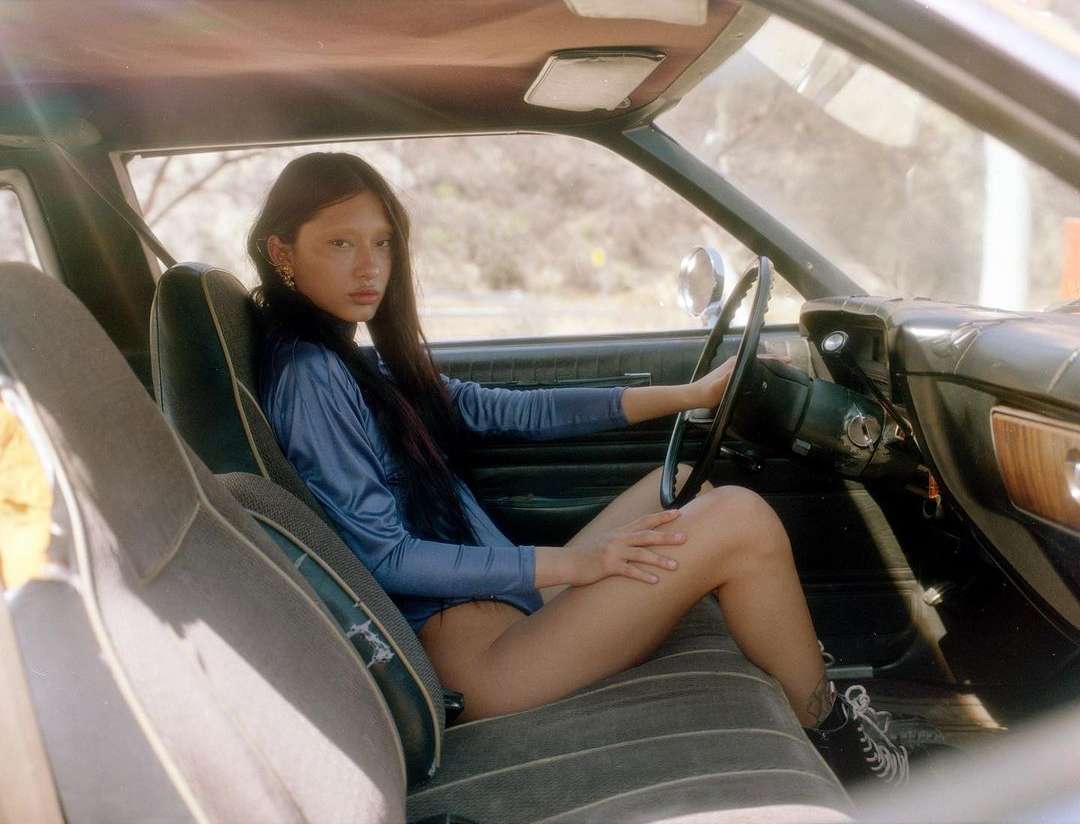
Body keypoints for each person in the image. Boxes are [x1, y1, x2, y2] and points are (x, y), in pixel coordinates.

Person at [251, 152, 910, 785]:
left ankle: (809, 688)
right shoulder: (311, 376)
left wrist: (688, 394)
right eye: (340, 244)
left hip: (503, 615)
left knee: (685, 488)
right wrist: (574, 564)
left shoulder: (354, 362)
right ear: (282, 251)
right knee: (741, 520)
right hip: (484, 667)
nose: (369, 266)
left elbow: (514, 410)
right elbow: (386, 556)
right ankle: (833, 731)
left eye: (382, 243)